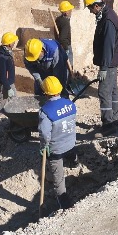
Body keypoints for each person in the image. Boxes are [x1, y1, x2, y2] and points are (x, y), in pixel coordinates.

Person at [35, 75, 79, 210]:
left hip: (56, 149)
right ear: (60, 89)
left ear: (45, 93)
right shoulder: (70, 104)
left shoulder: (45, 112)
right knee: (70, 152)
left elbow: (44, 133)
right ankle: (75, 162)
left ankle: (65, 206)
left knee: (58, 180)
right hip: (71, 142)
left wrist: (44, 146)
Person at [86, 0, 118, 132]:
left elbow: (108, 46)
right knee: (112, 90)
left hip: (109, 62)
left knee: (104, 92)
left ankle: (108, 124)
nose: (90, 11)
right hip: (111, 61)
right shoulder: (106, 15)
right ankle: (115, 119)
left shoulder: (107, 20)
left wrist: (104, 68)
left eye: (90, 8)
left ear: (96, 5)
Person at [0, 32, 19, 102]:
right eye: (13, 42)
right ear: (9, 44)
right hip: (5, 85)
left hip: (8, 83)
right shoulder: (2, 57)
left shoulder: (6, 52)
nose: (14, 43)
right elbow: (2, 75)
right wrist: (8, 88)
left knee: (12, 103)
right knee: (4, 104)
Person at [55, 0, 75, 69]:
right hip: (66, 45)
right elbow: (62, 38)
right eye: (70, 10)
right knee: (69, 67)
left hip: (59, 45)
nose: (71, 11)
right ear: (66, 12)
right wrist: (66, 49)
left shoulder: (58, 19)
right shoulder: (65, 22)